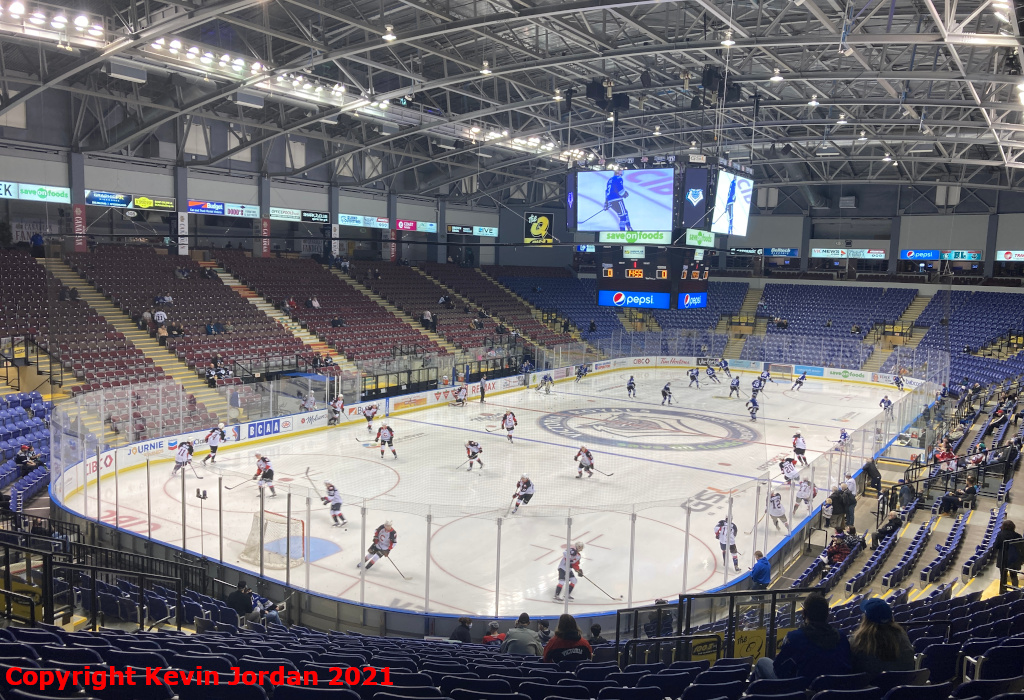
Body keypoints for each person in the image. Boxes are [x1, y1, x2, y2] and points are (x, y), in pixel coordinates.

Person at [753, 592, 852, 683]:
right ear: (827, 614)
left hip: (800, 689)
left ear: (804, 613)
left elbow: (778, 670)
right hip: (834, 690)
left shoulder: (794, 638)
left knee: (762, 662)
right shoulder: (842, 636)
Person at [849, 598, 915, 674]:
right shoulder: (903, 637)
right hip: (903, 683)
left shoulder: (856, 642)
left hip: (871, 685)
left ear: (866, 619)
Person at [995, 520, 1022, 590]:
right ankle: (1015, 591)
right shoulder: (1018, 536)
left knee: (1003, 577)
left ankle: (1002, 592)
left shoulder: (1000, 535)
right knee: (1014, 576)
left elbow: (996, 546)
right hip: (1014, 560)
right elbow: (1021, 549)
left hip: (1003, 559)